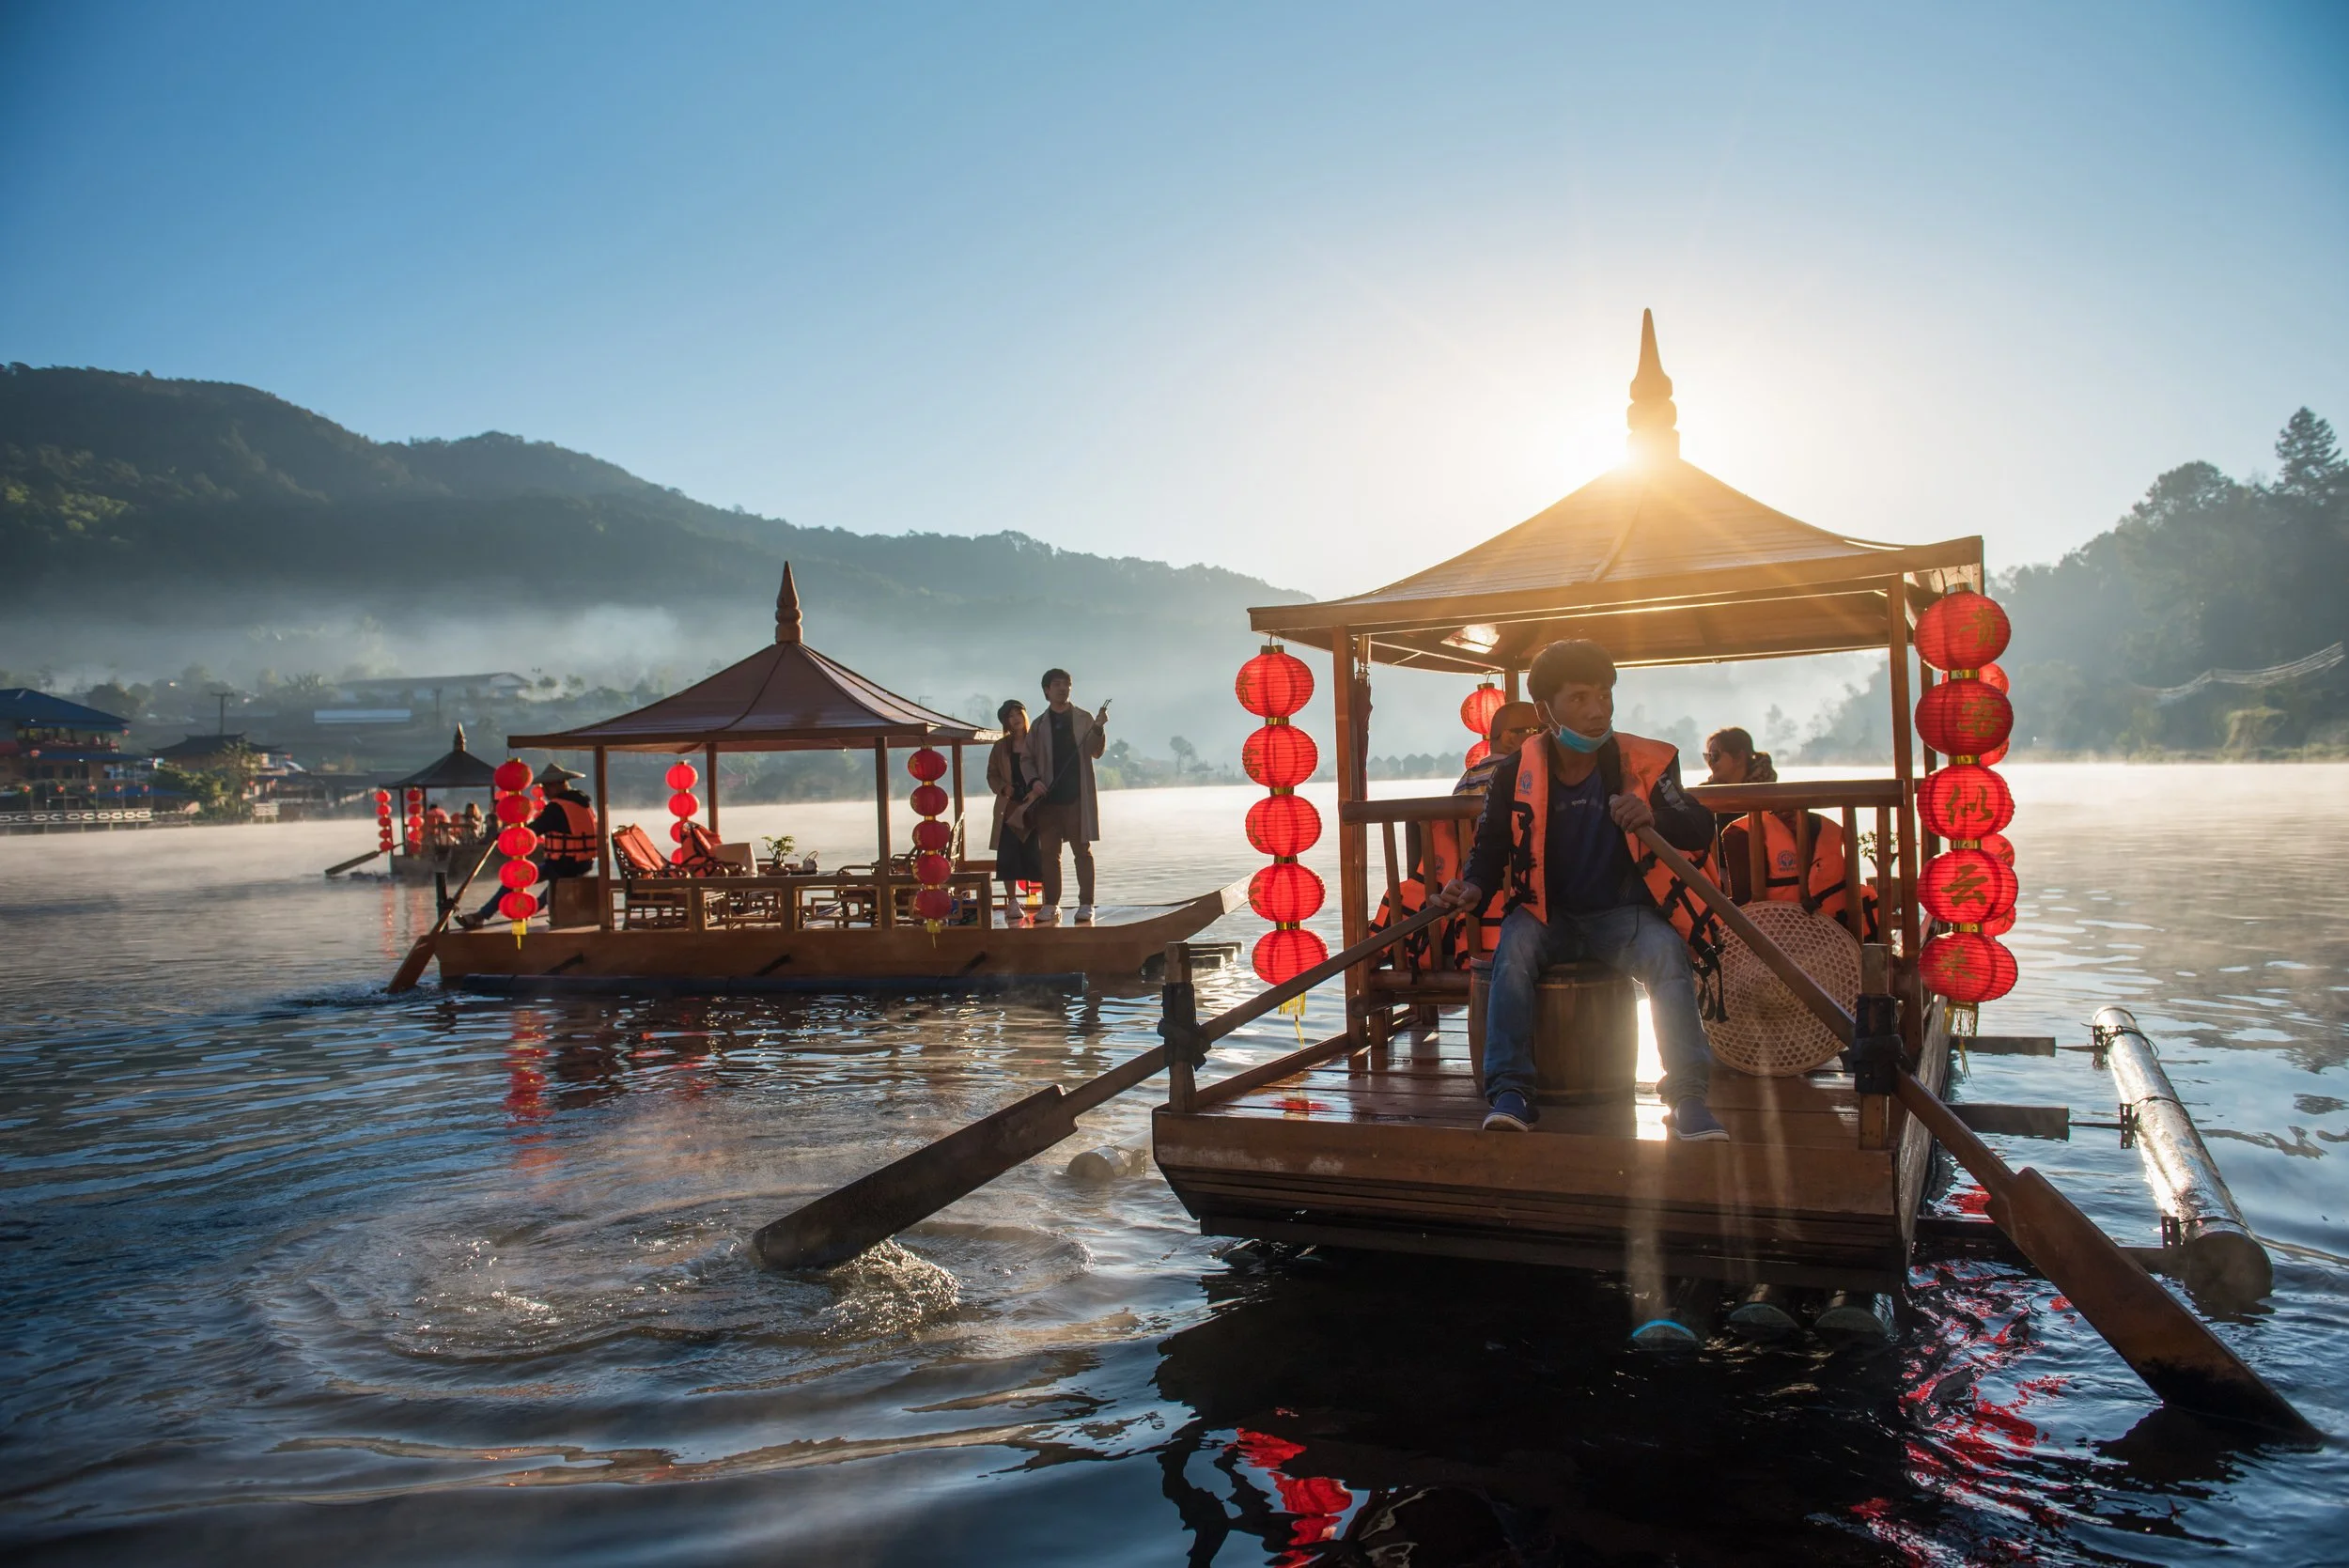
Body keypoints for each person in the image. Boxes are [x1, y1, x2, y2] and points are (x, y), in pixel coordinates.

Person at [1435, 639, 1729, 1140]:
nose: (1597, 712)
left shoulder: (1646, 762)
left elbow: (1700, 824)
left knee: (1664, 954)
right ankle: (1511, 1093)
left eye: (1605, 696)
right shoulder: (1512, 772)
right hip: (1545, 913)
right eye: (1579, 699)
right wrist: (1472, 886)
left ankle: (1687, 1096)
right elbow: (1488, 851)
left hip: (1622, 913)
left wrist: (1653, 816)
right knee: (1513, 953)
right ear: (1547, 711)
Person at [1704, 726, 1876, 933]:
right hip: (1720, 875)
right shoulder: (1706, 796)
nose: (1710, 763)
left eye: (1715, 756)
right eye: (1707, 757)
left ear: (1739, 757)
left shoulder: (1778, 798)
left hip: (1775, 884)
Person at [458, 763, 599, 927]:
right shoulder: (583, 802)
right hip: (583, 863)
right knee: (544, 896)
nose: (545, 791)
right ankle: (490, 915)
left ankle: (481, 915)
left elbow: (532, 832)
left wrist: (506, 835)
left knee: (514, 881)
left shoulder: (556, 807)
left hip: (562, 865)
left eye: (547, 787)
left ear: (558, 785)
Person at [1019, 667, 1107, 924]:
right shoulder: (1038, 724)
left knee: (1082, 850)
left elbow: (1095, 751)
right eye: (1057, 684)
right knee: (1049, 854)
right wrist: (1034, 782)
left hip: (1077, 797)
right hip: (1047, 800)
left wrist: (1099, 728)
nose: (1063, 688)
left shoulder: (1083, 717)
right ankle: (1051, 904)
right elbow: (1026, 760)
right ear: (1047, 690)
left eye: (1066, 684)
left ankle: (1086, 903)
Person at [986, 699, 1043, 922]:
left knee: (1039, 854)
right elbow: (991, 774)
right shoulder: (1001, 747)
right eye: (1010, 716)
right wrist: (1003, 788)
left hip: (1035, 804)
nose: (1015, 719)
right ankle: (1012, 902)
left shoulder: (1037, 743)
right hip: (1009, 806)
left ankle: (1048, 901)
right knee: (1008, 854)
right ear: (1005, 722)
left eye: (1018, 714)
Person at [1454, 701, 1543, 795]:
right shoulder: (1528, 775)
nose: (1545, 735)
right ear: (1508, 739)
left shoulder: (1468, 780)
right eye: (1538, 730)